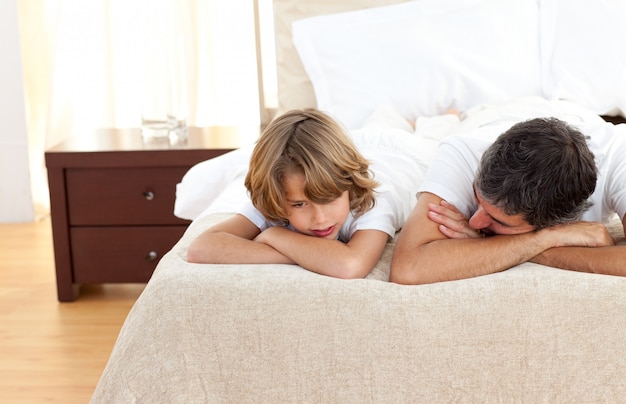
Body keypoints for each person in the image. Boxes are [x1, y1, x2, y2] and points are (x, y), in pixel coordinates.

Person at [390, 99, 626, 285]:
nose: (473, 222)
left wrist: (532, 249)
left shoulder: (618, 155)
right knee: (424, 144)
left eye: (496, 220)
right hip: (486, 118)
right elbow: (408, 268)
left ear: (561, 222)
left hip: (572, 111)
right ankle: (447, 118)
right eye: (476, 197)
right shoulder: (464, 151)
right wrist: (545, 239)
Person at [187, 108, 416, 279]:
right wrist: (303, 254)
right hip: (366, 144)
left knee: (412, 126)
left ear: (347, 187)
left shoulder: (376, 199)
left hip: (407, 154)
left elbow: (350, 265)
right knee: (376, 124)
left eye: (330, 198)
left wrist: (276, 236)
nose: (320, 219)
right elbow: (200, 248)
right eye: (299, 205)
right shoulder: (279, 190)